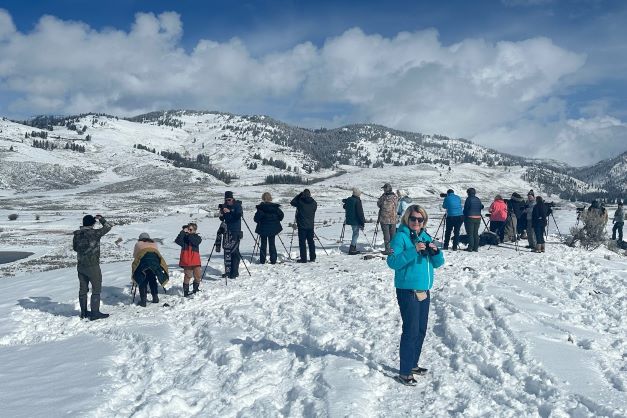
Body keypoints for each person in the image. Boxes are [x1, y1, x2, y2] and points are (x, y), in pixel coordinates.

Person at [386, 205, 445, 386]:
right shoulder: (400, 237)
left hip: (424, 290)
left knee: (420, 330)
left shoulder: (425, 236)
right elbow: (392, 262)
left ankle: (412, 364)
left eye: (420, 220)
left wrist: (436, 252)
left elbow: (438, 263)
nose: (417, 222)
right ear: (407, 219)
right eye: (413, 219)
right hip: (408, 291)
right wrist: (413, 250)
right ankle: (404, 372)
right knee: (410, 330)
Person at [72, 214, 113, 320]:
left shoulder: (77, 234)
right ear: (93, 223)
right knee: (96, 289)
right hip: (93, 265)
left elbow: (75, 248)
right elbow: (108, 226)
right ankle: (95, 313)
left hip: (81, 265)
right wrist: (101, 219)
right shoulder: (94, 233)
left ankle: (84, 312)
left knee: (83, 289)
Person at [132, 233, 169, 306]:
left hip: (143, 264)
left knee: (142, 280)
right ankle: (155, 297)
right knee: (152, 279)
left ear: (140, 238)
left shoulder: (138, 244)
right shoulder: (154, 243)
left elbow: (135, 255)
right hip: (155, 264)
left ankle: (143, 301)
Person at [218, 191, 243, 278]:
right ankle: (228, 271)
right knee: (227, 251)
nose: (227, 201)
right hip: (226, 232)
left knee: (234, 251)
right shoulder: (224, 206)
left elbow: (238, 216)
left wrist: (229, 211)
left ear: (232, 198)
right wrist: (221, 213)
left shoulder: (237, 205)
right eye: (226, 199)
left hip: (235, 231)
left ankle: (235, 272)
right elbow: (222, 219)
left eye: (229, 199)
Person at [253, 192, 284, 264]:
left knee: (263, 244)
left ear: (263, 198)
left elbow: (256, 219)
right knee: (272, 244)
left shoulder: (261, 208)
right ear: (270, 198)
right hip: (273, 228)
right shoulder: (275, 207)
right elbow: (281, 215)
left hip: (263, 228)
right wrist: (276, 220)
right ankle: (273, 260)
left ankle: (262, 260)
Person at [175, 222, 202, 296]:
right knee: (188, 276)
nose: (189, 231)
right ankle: (186, 292)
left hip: (195, 260)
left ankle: (195, 289)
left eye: (191, 229)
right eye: (188, 229)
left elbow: (195, 242)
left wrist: (189, 234)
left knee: (198, 275)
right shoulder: (184, 237)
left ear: (194, 230)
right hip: (186, 260)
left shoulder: (197, 237)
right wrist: (183, 232)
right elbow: (177, 241)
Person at [291, 189, 317, 262]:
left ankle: (304, 259)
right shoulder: (314, 203)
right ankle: (312, 257)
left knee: (302, 243)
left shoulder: (300, 202)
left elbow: (292, 202)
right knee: (311, 242)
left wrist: (299, 195)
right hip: (311, 225)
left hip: (302, 226)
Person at [342, 187, 366, 255]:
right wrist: (362, 223)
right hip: (355, 220)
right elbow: (360, 212)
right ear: (357, 194)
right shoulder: (357, 201)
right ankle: (352, 248)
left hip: (349, 219)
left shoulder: (349, 199)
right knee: (356, 234)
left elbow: (344, 206)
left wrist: (345, 201)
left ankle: (354, 247)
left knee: (355, 233)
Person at [377, 183, 399, 254]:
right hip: (393, 219)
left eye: (384, 188)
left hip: (384, 219)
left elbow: (378, 204)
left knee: (386, 235)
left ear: (387, 189)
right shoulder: (395, 197)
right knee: (393, 235)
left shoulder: (383, 197)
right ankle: (394, 249)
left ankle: (388, 249)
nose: (383, 190)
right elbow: (396, 205)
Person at [463, 188, 483, 252]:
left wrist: (464, 215)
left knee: (470, 233)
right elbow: (481, 206)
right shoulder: (478, 199)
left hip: (470, 218)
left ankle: (470, 247)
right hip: (478, 217)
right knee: (475, 233)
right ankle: (476, 247)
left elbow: (466, 209)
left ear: (468, 193)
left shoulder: (468, 199)